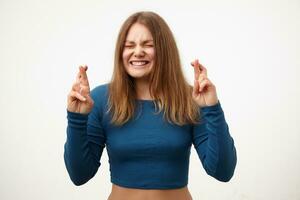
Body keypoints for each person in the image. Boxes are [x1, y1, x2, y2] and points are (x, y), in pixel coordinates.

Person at [64, 11, 237, 200]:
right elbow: (79, 175)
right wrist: (76, 119)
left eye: (148, 45)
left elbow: (223, 171)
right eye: (129, 45)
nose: (138, 51)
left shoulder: (191, 98)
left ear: (164, 50)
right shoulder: (101, 99)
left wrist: (212, 108)